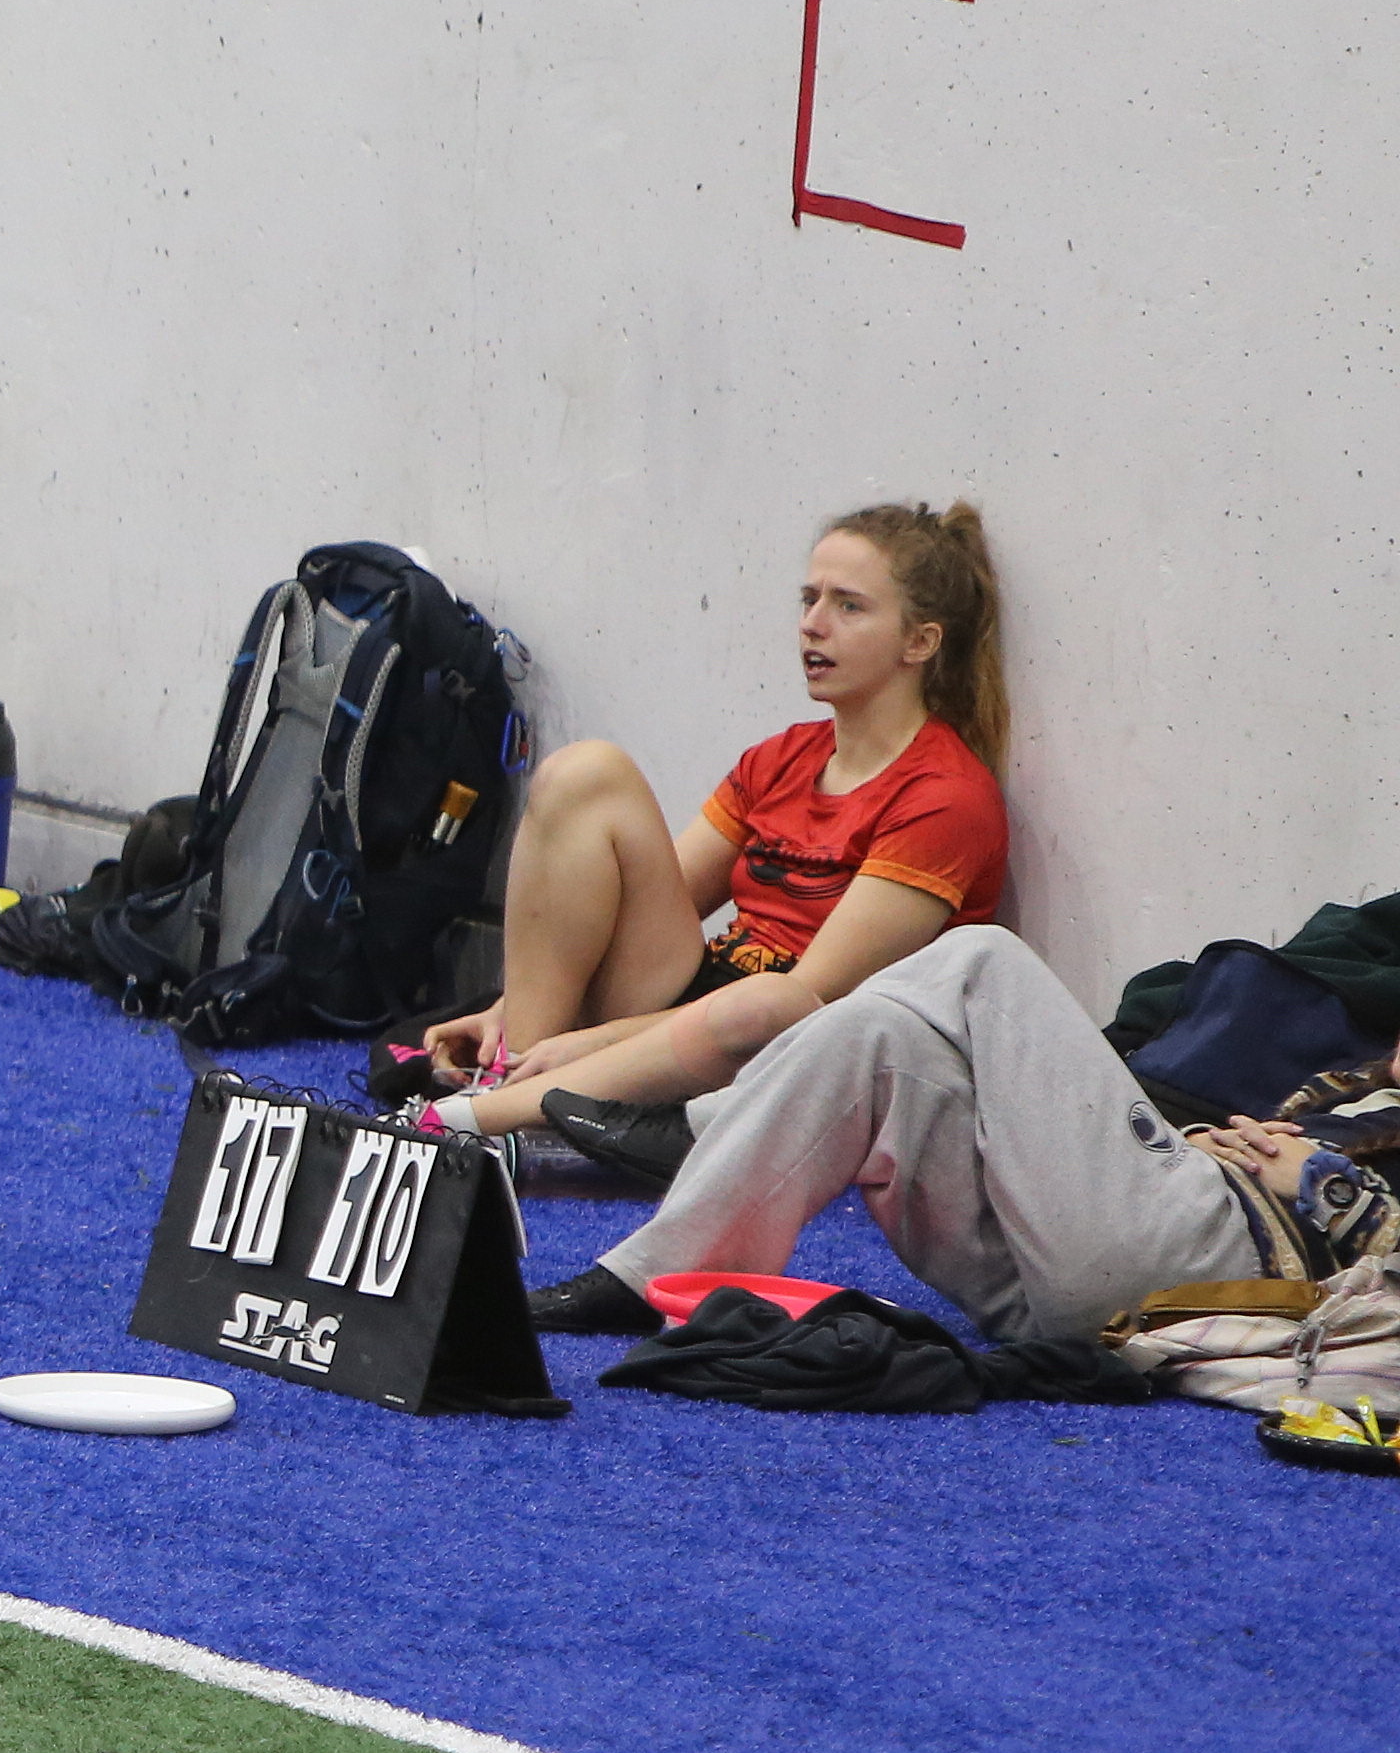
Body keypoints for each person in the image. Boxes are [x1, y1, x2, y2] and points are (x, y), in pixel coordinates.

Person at [399, 502, 1009, 1171]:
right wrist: (510, 1008)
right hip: (702, 1001)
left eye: (849, 606)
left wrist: (598, 1042)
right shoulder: (782, 757)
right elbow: (645, 902)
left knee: (772, 1003)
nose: (813, 623)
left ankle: (481, 1118)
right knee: (587, 774)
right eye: (809, 598)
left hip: (798, 1047)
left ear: (920, 643)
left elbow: (817, 1001)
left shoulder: (945, 796)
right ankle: (513, 1063)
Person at [584, 924, 1383, 1343]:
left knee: (986, 956)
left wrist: (1334, 1191)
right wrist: (1202, 1139)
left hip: (1218, 1265)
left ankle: (697, 1130)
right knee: (883, 1034)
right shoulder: (1364, 1082)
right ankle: (650, 1281)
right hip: (1090, 1278)